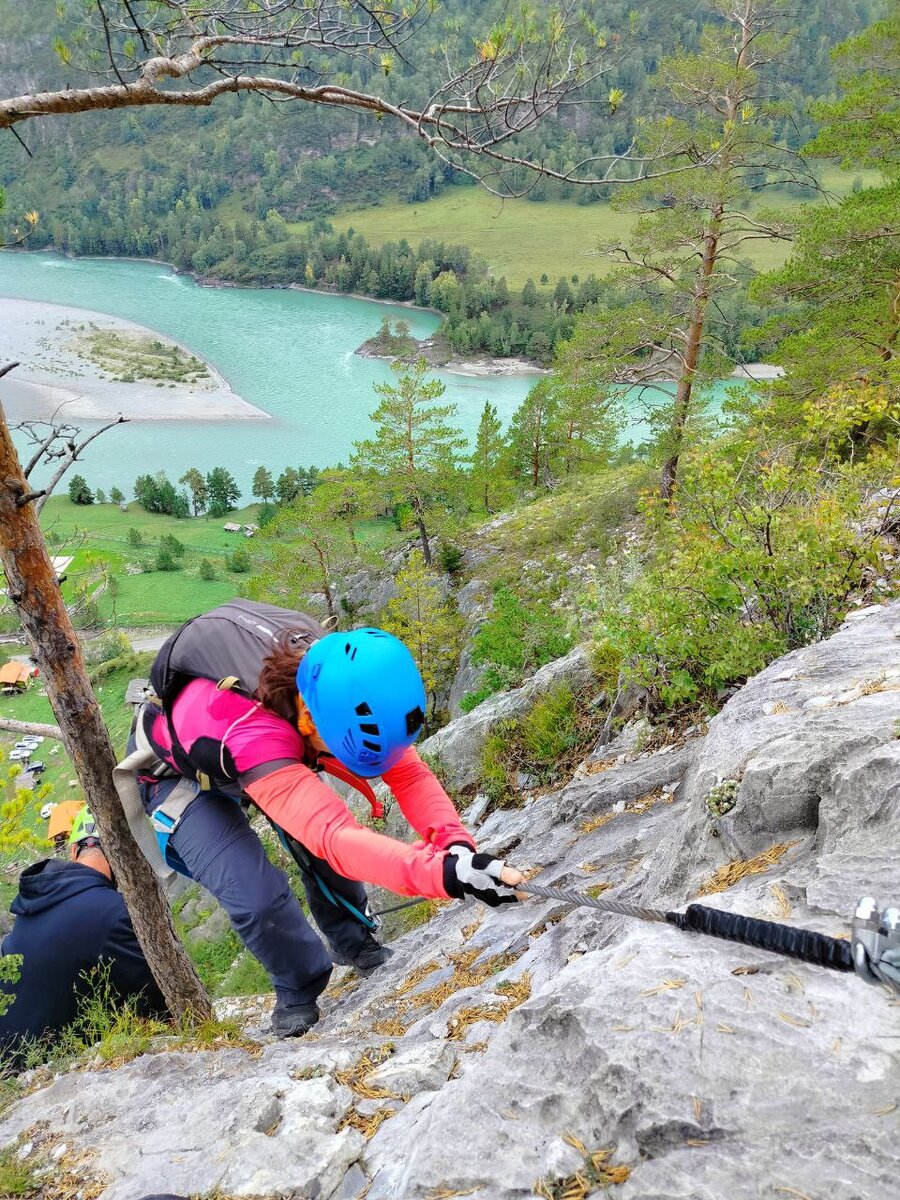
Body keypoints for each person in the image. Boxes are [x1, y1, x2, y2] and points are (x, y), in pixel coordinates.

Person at [131, 600, 523, 1038]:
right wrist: (444, 877)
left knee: (323, 844)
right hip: (182, 773)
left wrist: (456, 847)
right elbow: (333, 837)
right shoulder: (251, 731)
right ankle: (298, 985)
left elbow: (408, 773)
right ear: (311, 720)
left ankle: (354, 941)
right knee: (256, 895)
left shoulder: (343, 681)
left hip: (270, 739)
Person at [0, 806, 168, 1064]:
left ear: (74, 850)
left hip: (11, 1062)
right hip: (56, 1064)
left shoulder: (31, 908)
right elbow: (160, 997)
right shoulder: (114, 912)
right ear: (123, 855)